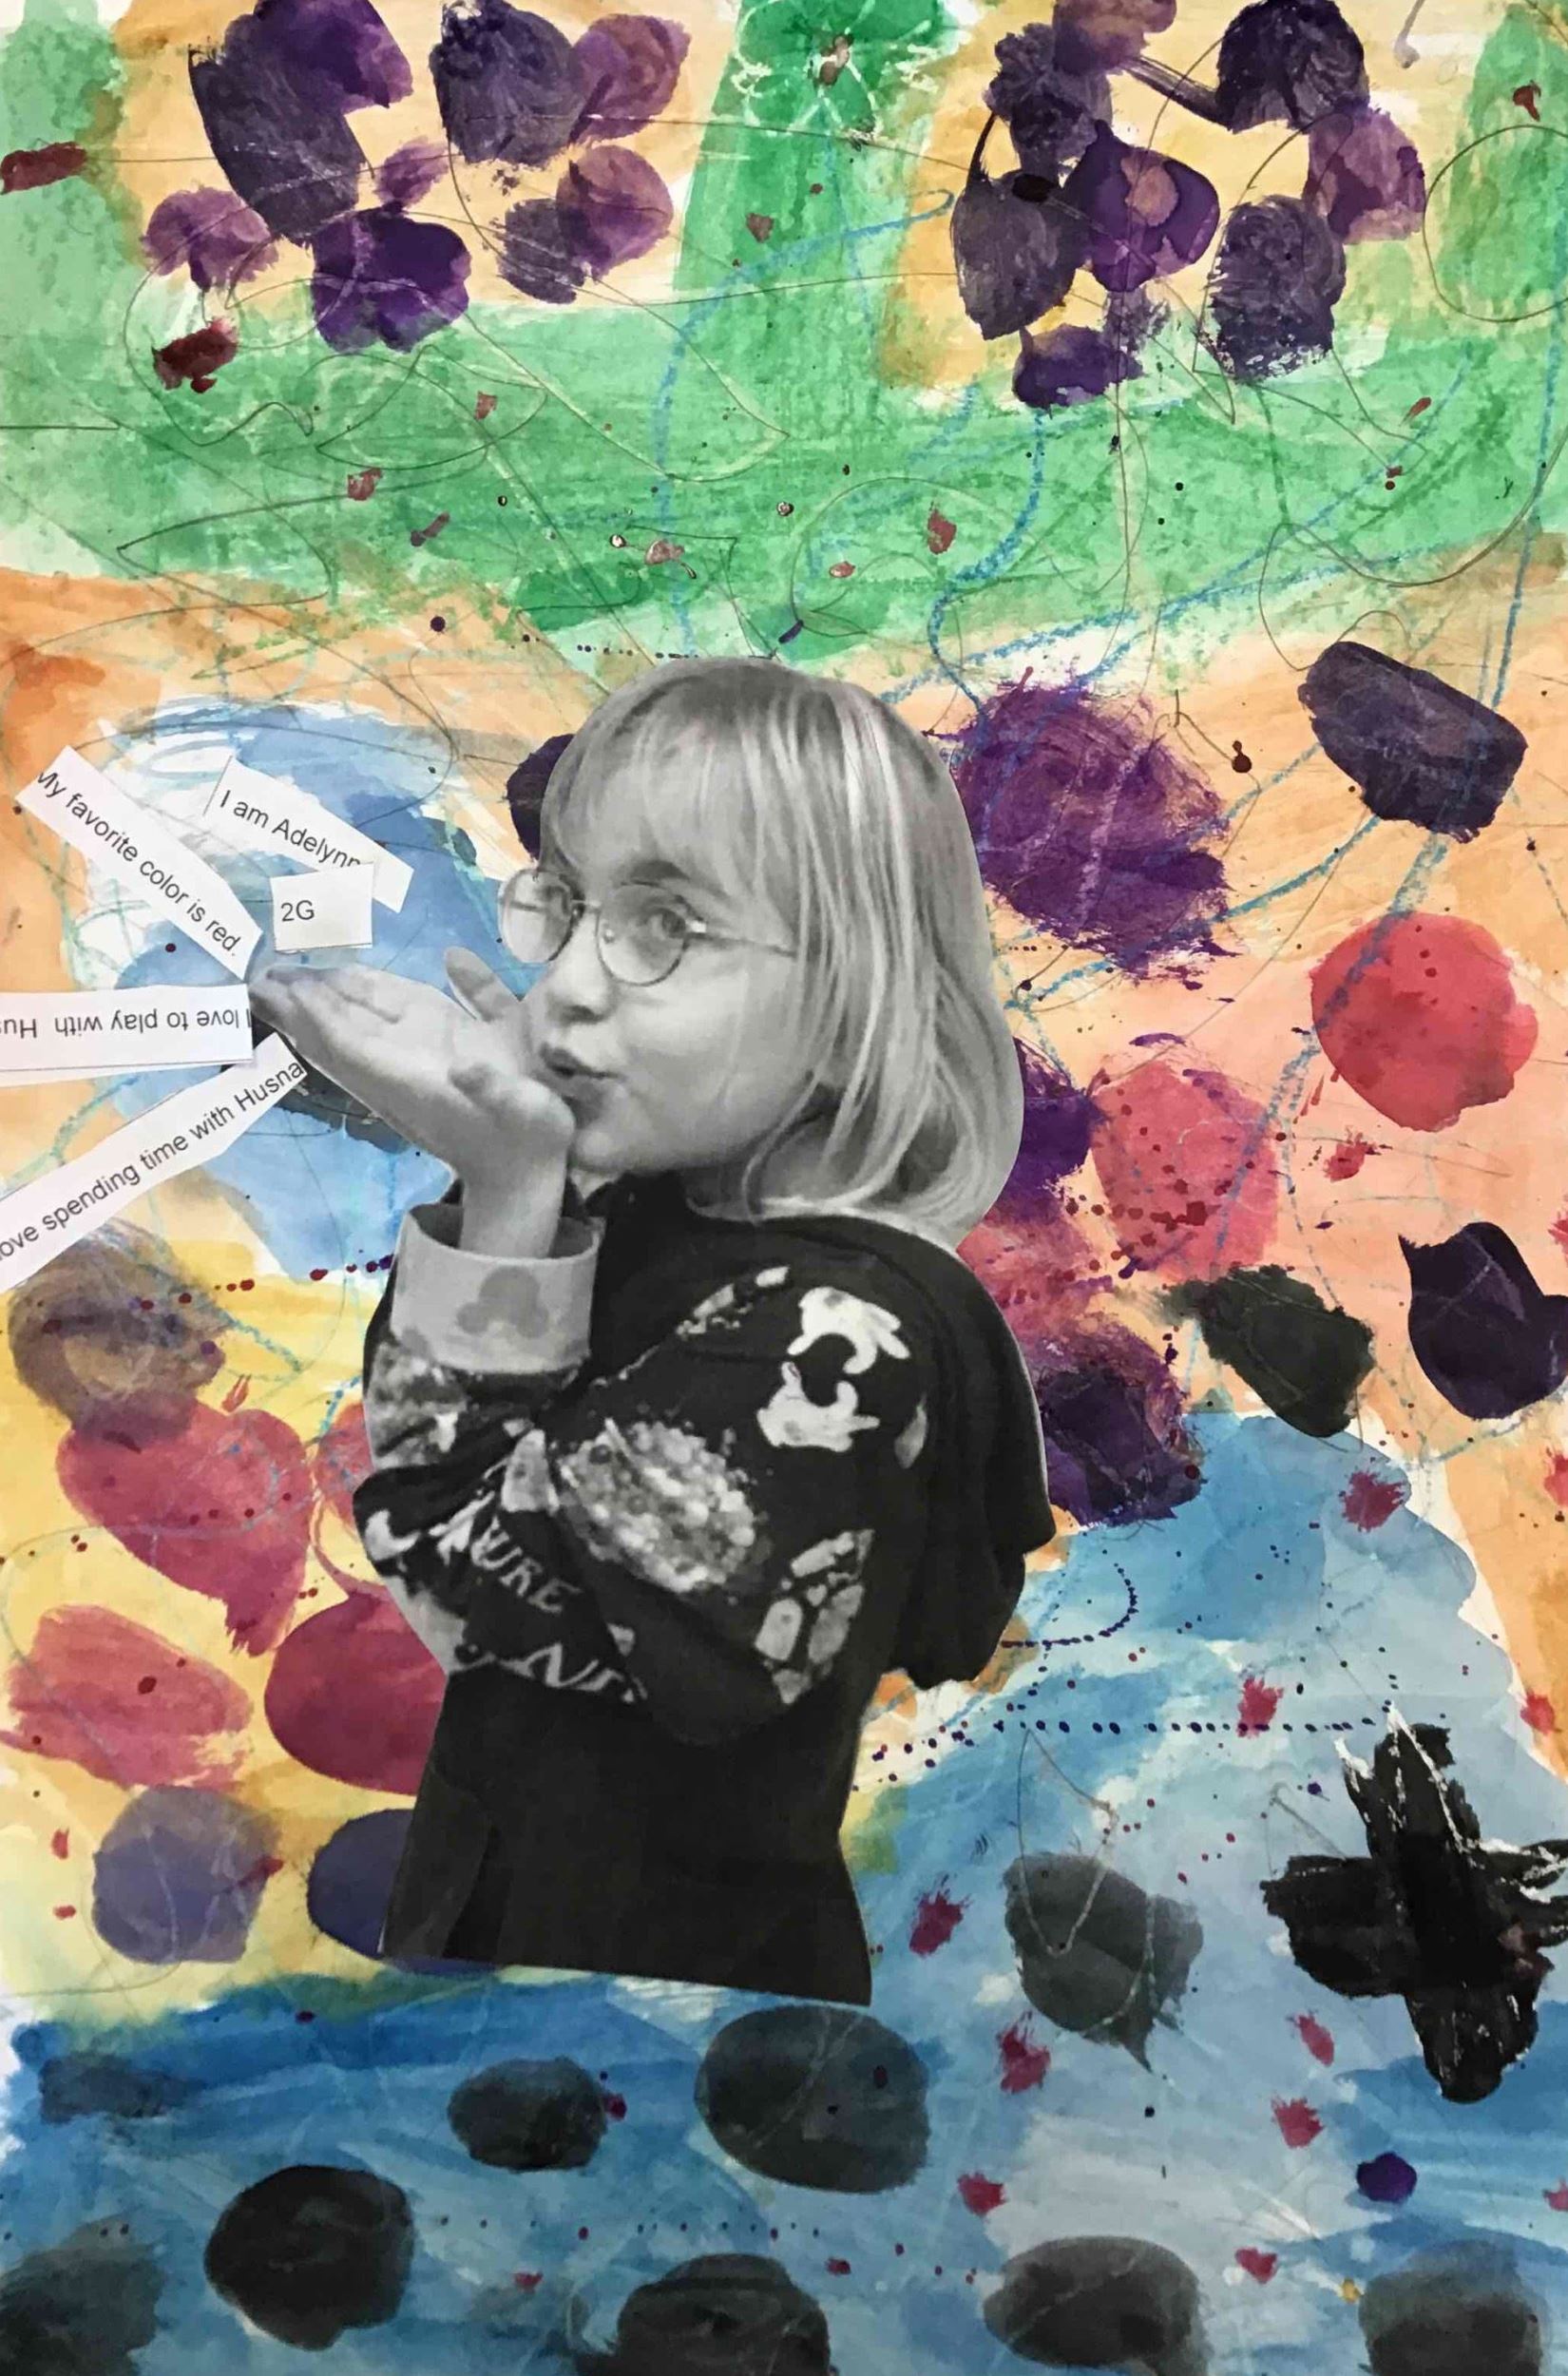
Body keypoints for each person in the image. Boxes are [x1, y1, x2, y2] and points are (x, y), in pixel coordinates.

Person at [249, 657, 1054, 2004]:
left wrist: (511, 1190)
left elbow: (470, 1586)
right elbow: (454, 1461)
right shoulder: (651, 1227)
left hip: (667, 2027)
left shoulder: (833, 1336)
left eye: (663, 926)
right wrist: (529, 1178)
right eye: (567, 908)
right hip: (527, 1975)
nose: (565, 986)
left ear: (851, 1001)